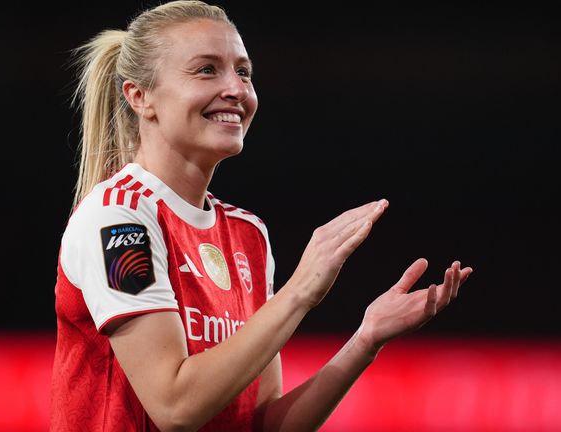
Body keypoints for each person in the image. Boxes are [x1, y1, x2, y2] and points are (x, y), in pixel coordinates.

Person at [50, 1, 472, 431]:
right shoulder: (119, 220)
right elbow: (175, 407)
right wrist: (301, 290)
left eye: (244, 71)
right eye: (207, 70)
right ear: (140, 97)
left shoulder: (247, 234)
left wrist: (365, 340)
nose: (236, 88)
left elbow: (259, 425)